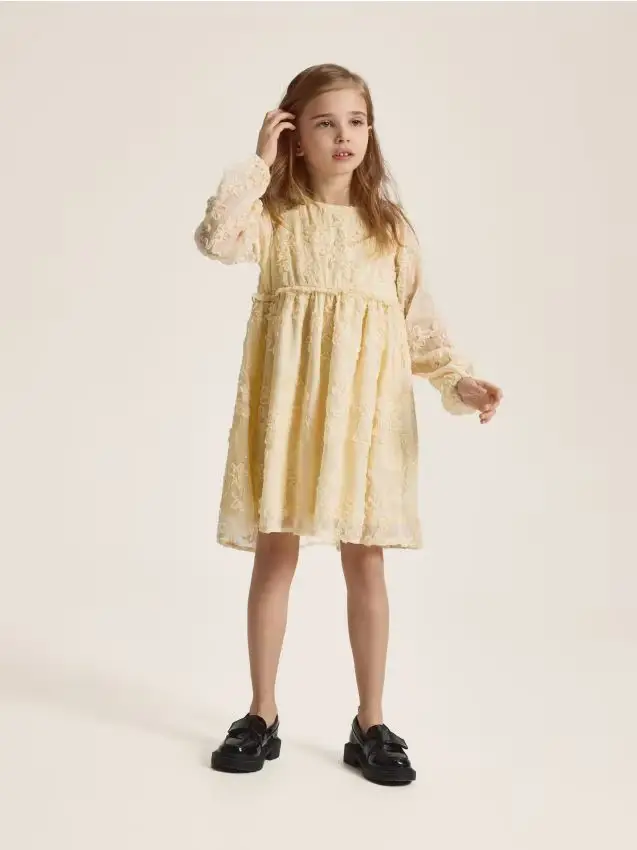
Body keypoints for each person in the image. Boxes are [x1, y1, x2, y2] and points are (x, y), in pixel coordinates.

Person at [194, 64, 503, 786]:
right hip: (289, 415)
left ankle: (371, 722)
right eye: (325, 122)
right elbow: (216, 238)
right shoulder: (273, 219)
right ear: (294, 135)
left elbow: (419, 330)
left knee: (366, 561)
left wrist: (460, 381)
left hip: (366, 421)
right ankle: (261, 712)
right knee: (276, 554)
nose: (344, 135)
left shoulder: (388, 229)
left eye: (356, 121)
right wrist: (259, 163)